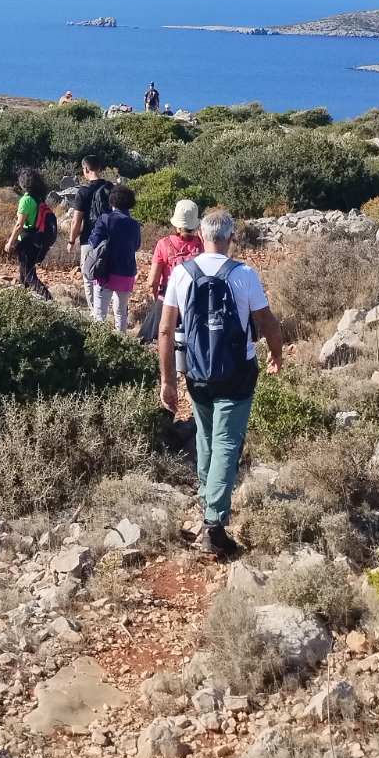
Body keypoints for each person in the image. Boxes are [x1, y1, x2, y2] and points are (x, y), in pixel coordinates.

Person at [158, 208, 284, 559]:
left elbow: (166, 330)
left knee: (206, 436)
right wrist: (276, 354)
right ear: (231, 238)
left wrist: (168, 380)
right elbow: (267, 322)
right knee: (227, 442)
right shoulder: (243, 275)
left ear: (200, 236)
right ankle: (213, 525)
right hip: (237, 373)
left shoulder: (182, 273)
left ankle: (207, 505)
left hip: (196, 373)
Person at [85, 183, 141, 331]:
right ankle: (122, 344)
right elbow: (136, 246)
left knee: (100, 314)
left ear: (112, 201)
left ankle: (98, 345)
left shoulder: (105, 219)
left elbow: (93, 241)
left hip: (106, 272)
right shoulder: (134, 224)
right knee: (121, 313)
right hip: (127, 273)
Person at [66, 157, 112, 314]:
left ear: (85, 170)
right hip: (109, 238)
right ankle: (106, 311)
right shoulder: (110, 188)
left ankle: (95, 314)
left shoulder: (83, 192)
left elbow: (76, 221)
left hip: (89, 240)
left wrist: (71, 241)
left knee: (88, 275)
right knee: (107, 275)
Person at [5, 166, 54, 300]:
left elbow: (19, 224)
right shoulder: (38, 198)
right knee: (23, 272)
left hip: (27, 241)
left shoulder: (26, 200)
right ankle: (22, 302)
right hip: (36, 240)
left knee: (28, 275)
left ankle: (49, 300)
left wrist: (10, 242)